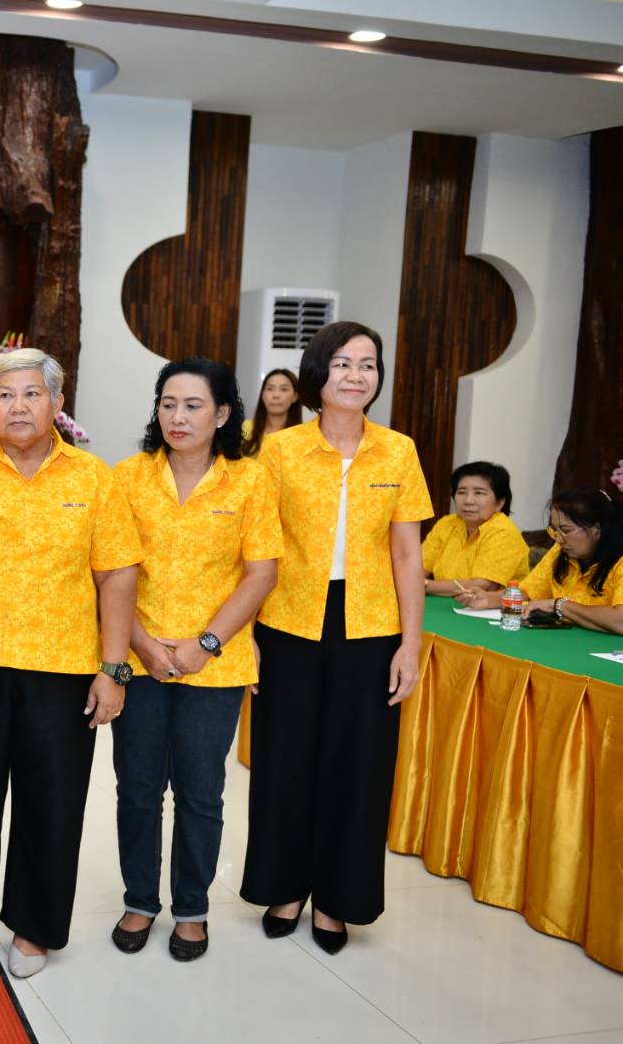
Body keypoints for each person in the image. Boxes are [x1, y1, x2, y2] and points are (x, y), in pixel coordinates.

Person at [0, 347, 141, 979]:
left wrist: (114, 668)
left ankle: (36, 927)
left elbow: (117, 576)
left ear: (58, 403)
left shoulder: (95, 478)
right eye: (5, 395)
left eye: (32, 394)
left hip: (64, 667)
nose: (18, 405)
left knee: (54, 802)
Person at [240, 320, 433, 955]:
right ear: (318, 374)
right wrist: (249, 633)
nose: (357, 376)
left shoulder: (399, 450)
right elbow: (255, 548)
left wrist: (410, 644)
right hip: (289, 619)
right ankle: (284, 885)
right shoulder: (281, 450)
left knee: (360, 766)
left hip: (371, 626)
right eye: (344, 364)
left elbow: (408, 555)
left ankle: (338, 899)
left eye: (369, 365)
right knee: (283, 757)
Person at [110, 358, 280, 962]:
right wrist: (142, 644)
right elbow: (109, 573)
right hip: (140, 657)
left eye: (193, 405)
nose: (177, 417)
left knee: (201, 791)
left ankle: (191, 907)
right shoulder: (127, 478)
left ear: (223, 414)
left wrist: (206, 643)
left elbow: (261, 574)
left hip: (218, 662)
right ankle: (139, 899)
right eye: (168, 404)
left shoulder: (250, 481)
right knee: (137, 788)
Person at [456, 488, 623, 634]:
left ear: (597, 530)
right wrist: (489, 599)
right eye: (554, 530)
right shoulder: (561, 551)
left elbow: (619, 621)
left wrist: (560, 606)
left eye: (566, 530)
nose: (558, 539)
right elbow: (529, 591)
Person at [421, 461, 529, 596]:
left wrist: (422, 585)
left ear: (500, 503)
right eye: (461, 492)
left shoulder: (504, 532)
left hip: (495, 610)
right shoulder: (446, 524)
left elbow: (483, 585)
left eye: (479, 493)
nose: (468, 500)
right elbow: (418, 569)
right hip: (444, 602)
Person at [241, 368, 302, 457]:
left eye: (284, 389)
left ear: (295, 397)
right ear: (262, 395)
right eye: (270, 389)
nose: (276, 395)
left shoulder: (302, 436)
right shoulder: (245, 428)